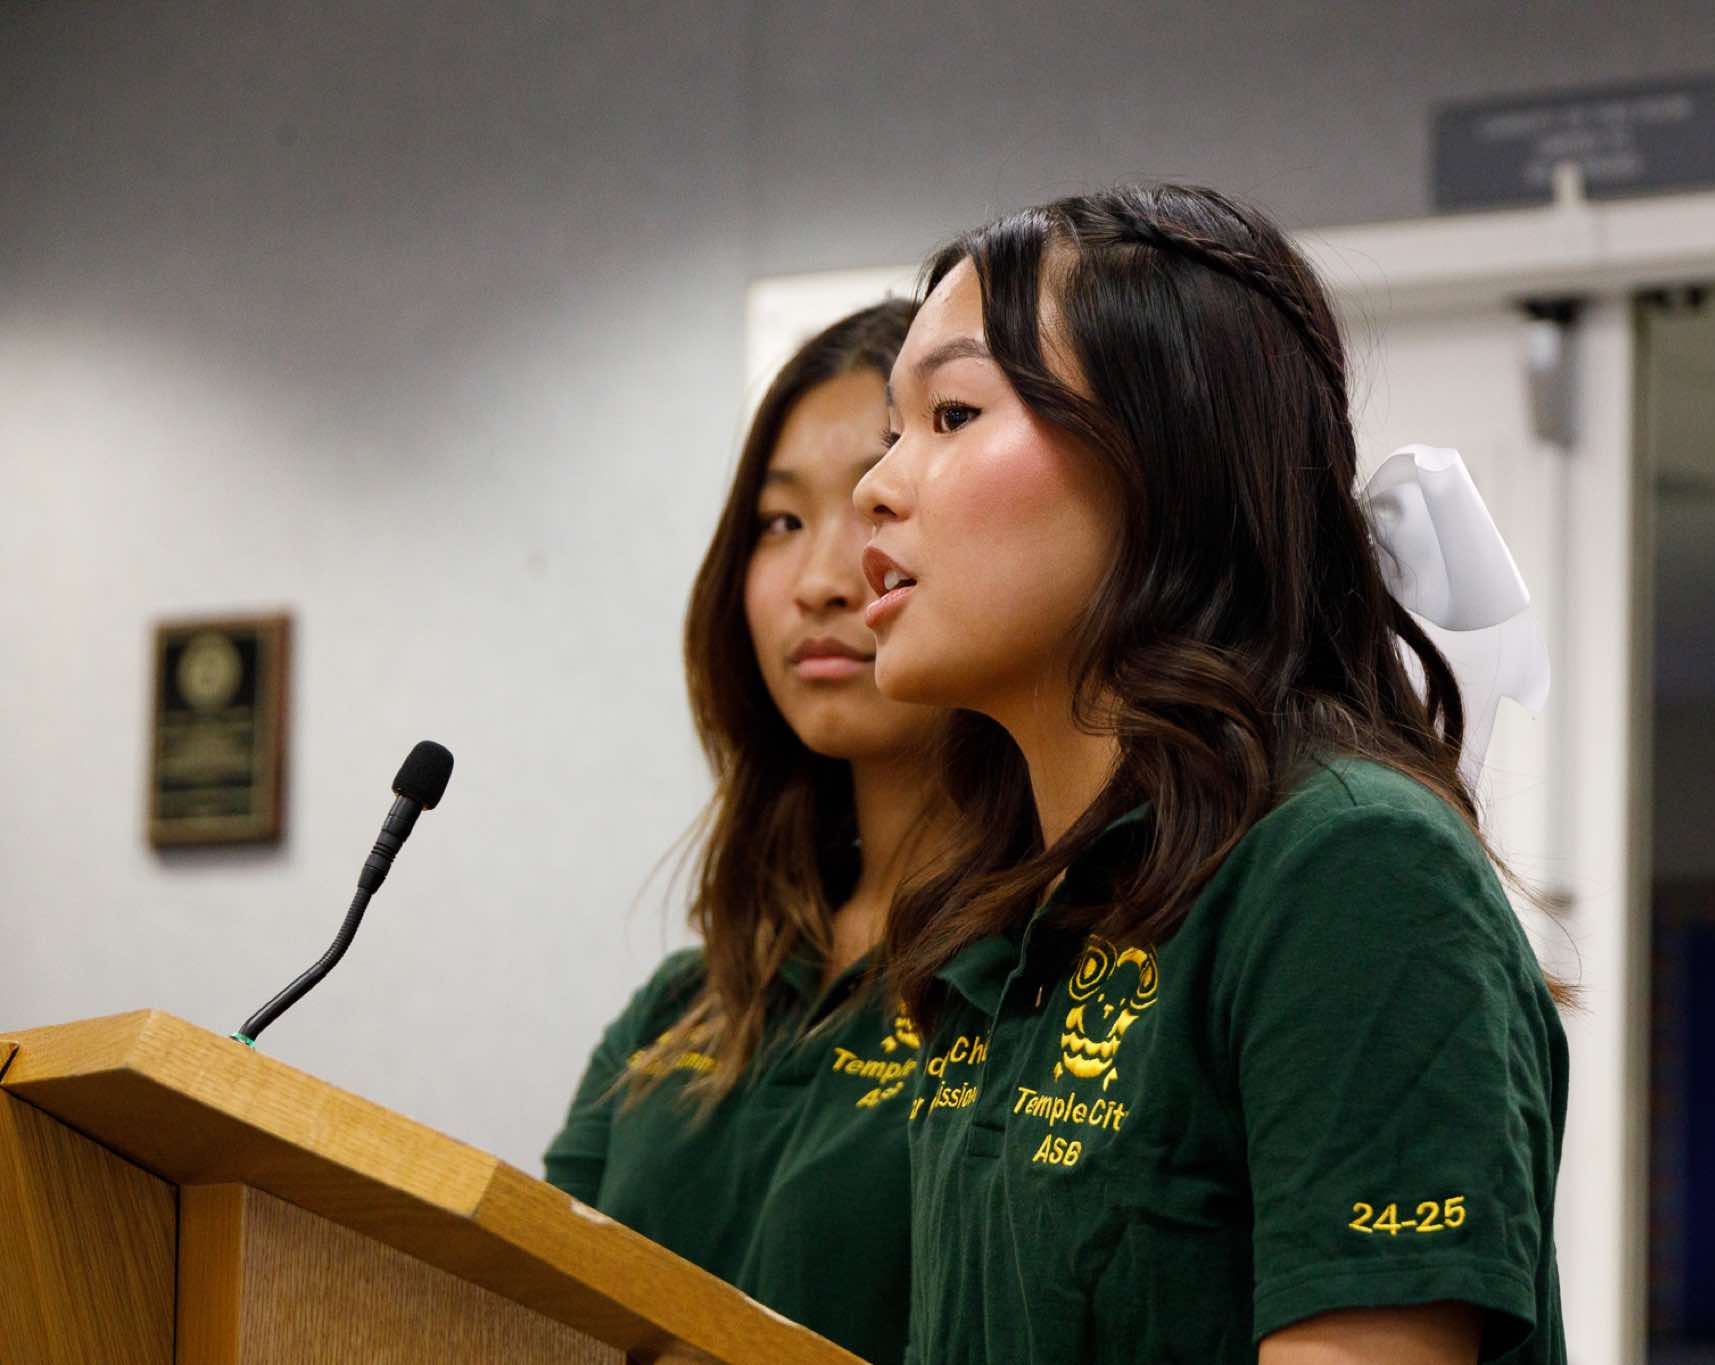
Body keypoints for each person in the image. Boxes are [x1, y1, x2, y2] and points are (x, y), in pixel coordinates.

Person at [852, 184, 1569, 1365]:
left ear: (1167, 455)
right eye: (893, 429)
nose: (876, 486)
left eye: (953, 414)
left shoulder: (1351, 868)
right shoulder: (1010, 903)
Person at [546, 299, 943, 1365]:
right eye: (779, 523)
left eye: (875, 505)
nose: (819, 582)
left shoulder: (1062, 982)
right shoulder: (682, 1007)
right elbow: (522, 1311)